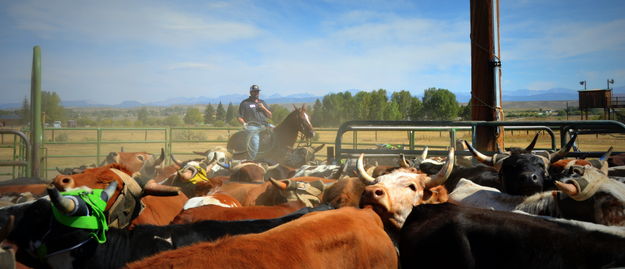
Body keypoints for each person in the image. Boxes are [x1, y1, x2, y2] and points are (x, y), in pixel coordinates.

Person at [238, 84, 272, 159]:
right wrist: (244, 124)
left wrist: (263, 108)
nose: (256, 93)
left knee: (277, 131)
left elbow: (270, 115)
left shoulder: (262, 102)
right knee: (255, 142)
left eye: (257, 92)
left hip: (264, 125)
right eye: (254, 92)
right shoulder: (245, 103)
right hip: (252, 126)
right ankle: (252, 159)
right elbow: (239, 117)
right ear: (250, 92)